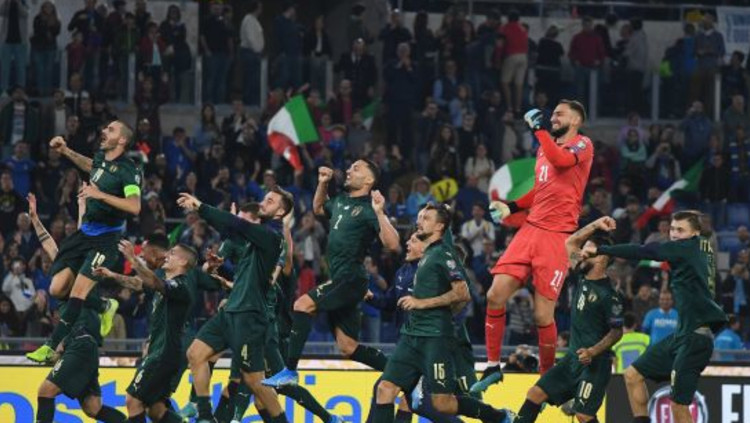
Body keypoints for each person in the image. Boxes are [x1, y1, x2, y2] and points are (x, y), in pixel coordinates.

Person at [474, 99, 594, 392]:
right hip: (530, 230)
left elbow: (561, 161)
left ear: (576, 120)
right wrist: (511, 206)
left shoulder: (583, 145)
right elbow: (540, 189)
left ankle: (547, 377)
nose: (553, 118)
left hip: (557, 236)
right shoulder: (544, 148)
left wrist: (539, 130)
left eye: (560, 114)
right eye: (552, 115)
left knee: (542, 315)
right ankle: (492, 366)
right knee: (494, 295)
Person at [263, 160, 400, 387]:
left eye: (356, 168)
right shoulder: (341, 200)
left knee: (302, 305)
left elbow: (393, 244)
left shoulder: (369, 209)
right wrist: (323, 183)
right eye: (350, 167)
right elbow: (318, 208)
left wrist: (380, 212)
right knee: (348, 347)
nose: (348, 170)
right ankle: (401, 375)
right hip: (340, 279)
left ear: (369, 180)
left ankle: (289, 371)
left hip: (350, 277)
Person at [371, 203, 512, 423]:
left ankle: (498, 416)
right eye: (420, 217)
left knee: (442, 403)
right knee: (384, 389)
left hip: (435, 340)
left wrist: (423, 304)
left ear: (439, 227)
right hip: (410, 337)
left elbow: (462, 293)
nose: (420, 221)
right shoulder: (425, 255)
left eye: (426, 218)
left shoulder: (444, 254)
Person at [583, 211, 727, 423]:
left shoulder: (685, 247)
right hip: (682, 335)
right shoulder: (703, 246)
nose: (674, 234)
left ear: (695, 233)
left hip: (695, 339)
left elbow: (643, 250)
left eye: (680, 230)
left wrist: (600, 249)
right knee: (632, 375)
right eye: (672, 229)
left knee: (678, 405)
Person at [26, 121, 142, 364]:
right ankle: (104, 305)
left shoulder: (128, 170)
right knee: (56, 289)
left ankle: (50, 346)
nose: (104, 131)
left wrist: (99, 195)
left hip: (105, 240)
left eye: (111, 130)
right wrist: (65, 151)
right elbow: (93, 167)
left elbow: (134, 206)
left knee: (78, 292)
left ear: (122, 140)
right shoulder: (101, 157)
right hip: (84, 234)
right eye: (105, 128)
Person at [178, 187, 294, 423]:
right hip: (231, 309)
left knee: (254, 381)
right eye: (264, 198)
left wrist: (200, 206)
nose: (263, 203)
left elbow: (237, 225)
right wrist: (217, 264)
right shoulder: (256, 236)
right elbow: (231, 229)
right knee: (195, 353)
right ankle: (205, 416)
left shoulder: (272, 236)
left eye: (270, 201)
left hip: (249, 315)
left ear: (280, 212)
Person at [511, 217, 624, 423]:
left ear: (601, 258)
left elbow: (617, 332)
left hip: (595, 364)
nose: (581, 253)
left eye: (587, 250)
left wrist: (592, 352)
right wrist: (595, 225)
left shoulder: (609, 295)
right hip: (572, 359)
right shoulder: (581, 276)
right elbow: (570, 243)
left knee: (583, 415)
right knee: (535, 394)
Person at [114, 240, 203, 423]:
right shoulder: (165, 284)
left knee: (133, 400)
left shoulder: (181, 286)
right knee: (156, 410)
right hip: (160, 351)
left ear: (183, 262)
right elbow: (140, 283)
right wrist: (110, 275)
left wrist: (132, 258)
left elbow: (154, 282)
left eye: (172, 253)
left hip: (163, 354)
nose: (167, 255)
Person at [239, 1, 263, 106]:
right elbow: (250, 37)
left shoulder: (254, 20)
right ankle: (249, 102)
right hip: (250, 52)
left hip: (254, 52)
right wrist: (257, 49)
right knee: (251, 79)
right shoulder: (248, 20)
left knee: (254, 79)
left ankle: (253, 101)